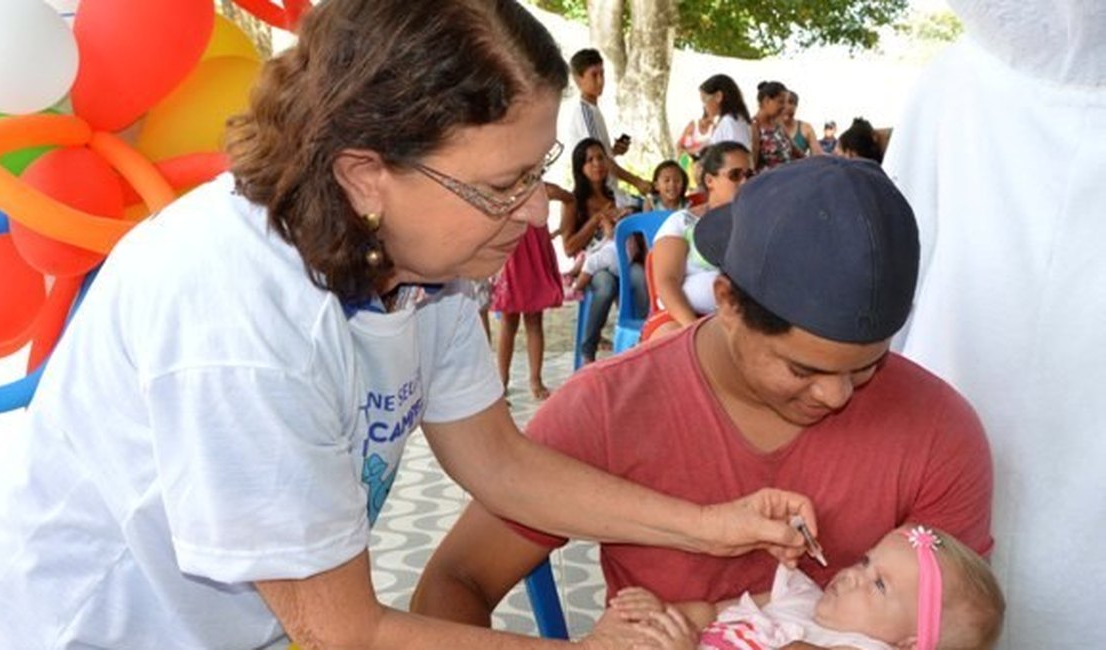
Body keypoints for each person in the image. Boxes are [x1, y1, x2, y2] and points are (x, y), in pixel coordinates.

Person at [0, 2, 823, 648]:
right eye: (502, 185)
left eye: (536, 172)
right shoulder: (238, 317)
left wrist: (712, 524)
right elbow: (345, 629)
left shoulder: (421, 265)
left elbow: (499, 463)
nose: (535, 211)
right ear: (364, 175)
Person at [410, 158, 995, 635]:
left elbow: (950, 627)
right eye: (802, 368)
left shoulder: (940, 434)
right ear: (728, 303)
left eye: (868, 366)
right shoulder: (608, 410)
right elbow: (453, 583)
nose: (838, 395)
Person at [883, 1, 1106, 646]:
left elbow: (894, 266)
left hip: (953, 396)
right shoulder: (955, 80)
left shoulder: (957, 81)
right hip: (956, 425)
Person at [601, 525, 1005, 650]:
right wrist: (664, 614)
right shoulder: (799, 594)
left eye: (879, 585)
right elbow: (710, 612)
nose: (852, 575)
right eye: (866, 562)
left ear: (910, 642)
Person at [641, 142, 751, 342]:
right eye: (735, 175)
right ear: (710, 180)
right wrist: (694, 329)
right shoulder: (683, 222)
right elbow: (667, 283)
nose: (745, 182)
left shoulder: (757, 223)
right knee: (678, 348)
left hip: (740, 322)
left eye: (749, 175)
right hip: (680, 319)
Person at [561, 138, 646, 364]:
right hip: (593, 264)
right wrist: (597, 219)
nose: (597, 163)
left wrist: (626, 216)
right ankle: (588, 351)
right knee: (606, 284)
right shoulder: (573, 201)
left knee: (640, 276)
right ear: (580, 167)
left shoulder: (616, 196)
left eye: (601, 157)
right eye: (590, 160)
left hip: (622, 259)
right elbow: (569, 247)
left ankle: (644, 339)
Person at [491, 209, 565, 400]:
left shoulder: (536, 186)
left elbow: (566, 199)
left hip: (532, 243)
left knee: (534, 318)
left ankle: (535, 379)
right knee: (508, 319)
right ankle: (502, 379)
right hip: (512, 242)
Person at [563, 48, 652, 196]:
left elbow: (598, 156)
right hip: (596, 196)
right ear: (579, 80)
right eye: (594, 75)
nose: (600, 81)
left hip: (607, 192)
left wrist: (613, 151)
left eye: (602, 74)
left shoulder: (593, 111)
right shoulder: (586, 114)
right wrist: (637, 182)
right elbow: (598, 160)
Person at [750, 80, 796, 171]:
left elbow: (795, 150)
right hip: (769, 182)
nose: (784, 106)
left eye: (785, 102)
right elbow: (752, 165)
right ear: (766, 101)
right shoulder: (754, 127)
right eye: (781, 102)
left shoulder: (778, 124)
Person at [700, 74, 752, 149]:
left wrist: (682, 157)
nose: (704, 106)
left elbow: (735, 156)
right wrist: (682, 158)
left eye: (704, 100)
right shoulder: (731, 121)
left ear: (718, 96)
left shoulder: (729, 122)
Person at [781, 91, 823, 158]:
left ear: (796, 106)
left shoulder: (806, 128)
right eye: (783, 103)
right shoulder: (769, 128)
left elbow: (818, 155)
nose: (787, 107)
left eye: (791, 102)